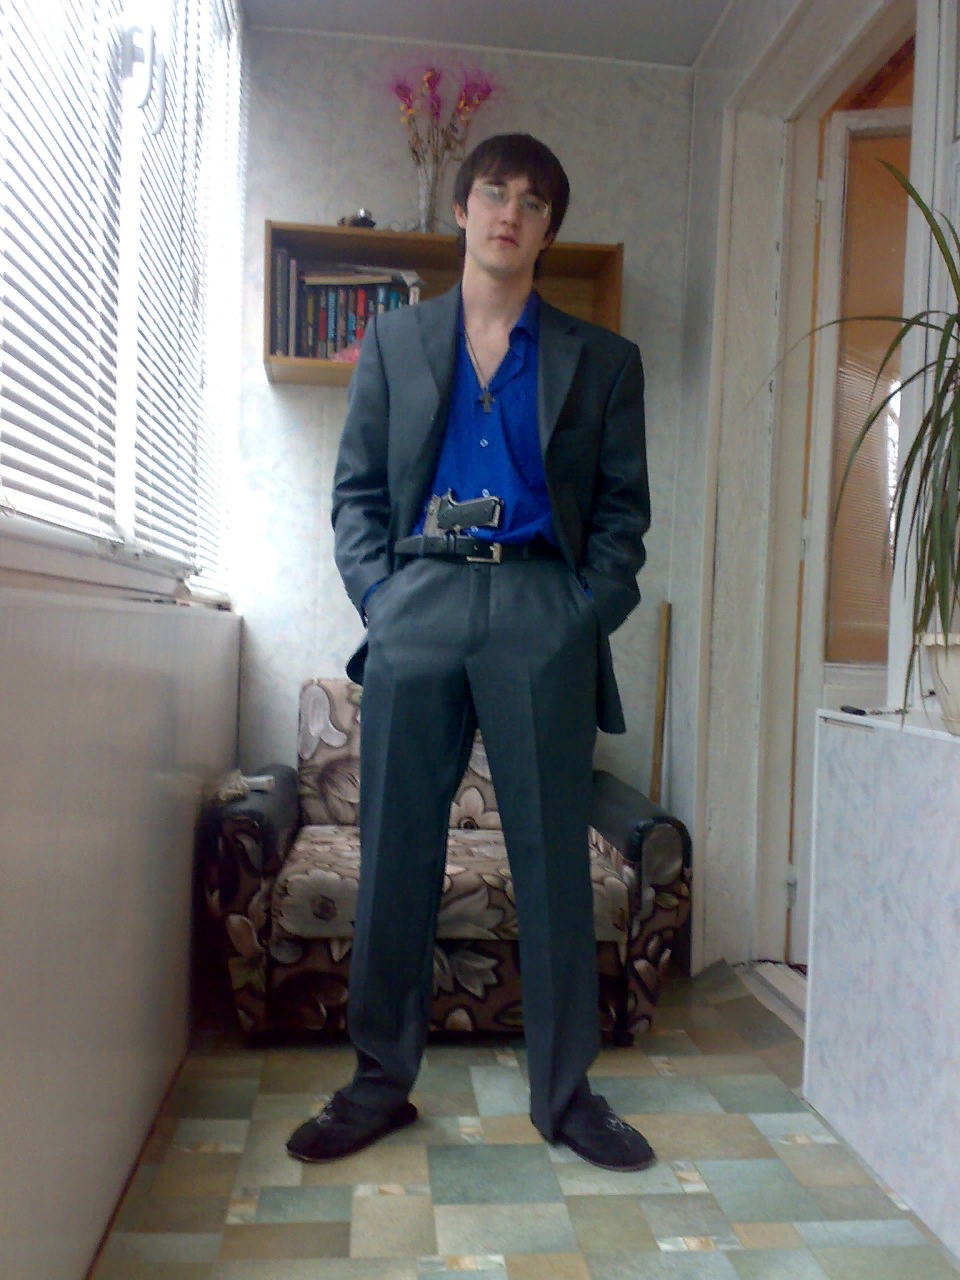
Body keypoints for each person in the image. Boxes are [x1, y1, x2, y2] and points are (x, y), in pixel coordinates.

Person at [286, 133, 653, 1172]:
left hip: (542, 603)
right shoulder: (394, 341)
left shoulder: (603, 359)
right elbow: (356, 493)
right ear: (462, 207)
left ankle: (566, 1097)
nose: (509, 212)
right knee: (396, 848)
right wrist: (383, 599)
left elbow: (623, 514)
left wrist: (582, 612)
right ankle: (376, 1084)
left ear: (548, 229)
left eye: (533, 202)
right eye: (494, 191)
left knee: (552, 858)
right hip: (421, 597)